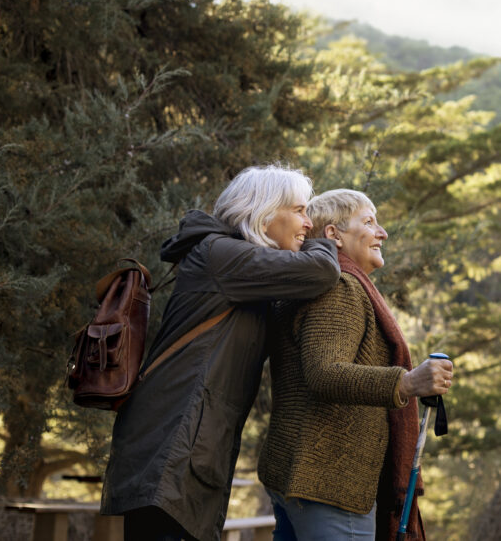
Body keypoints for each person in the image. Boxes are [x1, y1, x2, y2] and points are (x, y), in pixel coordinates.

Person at [101, 165, 341, 541]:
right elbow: (322, 270)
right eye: (299, 210)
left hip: (177, 447)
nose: (307, 223)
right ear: (262, 211)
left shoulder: (232, 262)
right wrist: (329, 239)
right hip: (170, 449)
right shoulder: (222, 255)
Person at [258, 189, 454, 541]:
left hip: (300, 476)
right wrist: (408, 383)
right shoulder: (340, 287)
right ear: (333, 234)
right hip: (330, 484)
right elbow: (324, 373)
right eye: (368, 222)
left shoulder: (310, 285)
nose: (382, 232)